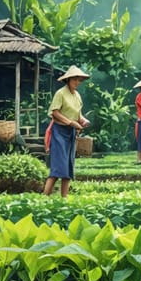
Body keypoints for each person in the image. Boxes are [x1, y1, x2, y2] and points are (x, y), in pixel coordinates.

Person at [44, 65, 91, 197]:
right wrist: (71, 122)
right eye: (75, 79)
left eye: (79, 80)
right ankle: (44, 197)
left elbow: (78, 114)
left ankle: (64, 198)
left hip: (71, 134)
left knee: (68, 168)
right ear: (68, 80)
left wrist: (83, 121)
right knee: (58, 168)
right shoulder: (60, 93)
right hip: (59, 132)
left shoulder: (77, 95)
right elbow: (55, 112)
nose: (77, 82)